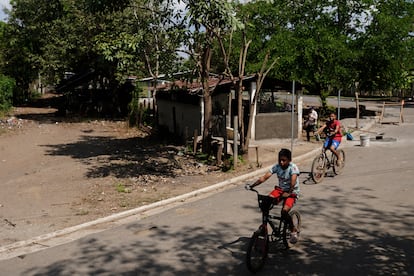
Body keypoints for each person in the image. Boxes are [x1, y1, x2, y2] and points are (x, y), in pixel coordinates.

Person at [245, 148, 300, 244]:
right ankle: (264, 226)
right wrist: (252, 186)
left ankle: (293, 230)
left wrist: (289, 192)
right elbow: (264, 177)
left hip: (292, 192)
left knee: (284, 211)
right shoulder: (277, 167)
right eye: (280, 160)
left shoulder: (293, 168)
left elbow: (293, 182)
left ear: (289, 160)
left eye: (284, 160)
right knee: (265, 202)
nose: (281, 162)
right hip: (280, 190)